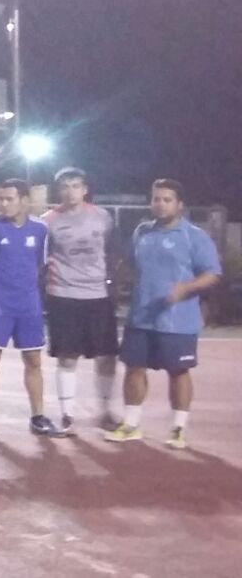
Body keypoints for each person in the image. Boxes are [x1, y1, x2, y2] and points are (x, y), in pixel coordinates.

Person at [104, 179, 221, 449]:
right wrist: (117, 282)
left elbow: (212, 273)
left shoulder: (194, 236)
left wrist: (186, 288)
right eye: (156, 199)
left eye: (167, 199)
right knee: (134, 369)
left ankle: (178, 428)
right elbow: (129, 265)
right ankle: (131, 424)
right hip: (140, 317)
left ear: (179, 204)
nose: (160, 204)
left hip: (178, 321)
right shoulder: (142, 232)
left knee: (178, 372)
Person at [0, 179, 66, 437]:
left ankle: (37, 417)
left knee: (33, 361)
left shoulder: (40, 229)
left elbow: (41, 265)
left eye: (9, 199)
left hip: (28, 306)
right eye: (1, 199)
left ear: (24, 200)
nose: (4, 204)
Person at [41, 166, 120, 432]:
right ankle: (67, 415)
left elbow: (112, 253)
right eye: (65, 186)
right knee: (67, 357)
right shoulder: (47, 221)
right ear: (58, 190)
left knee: (106, 357)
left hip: (98, 296)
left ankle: (106, 410)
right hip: (64, 295)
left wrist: (112, 283)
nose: (70, 192)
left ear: (85, 189)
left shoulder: (103, 218)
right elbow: (41, 258)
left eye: (75, 186)